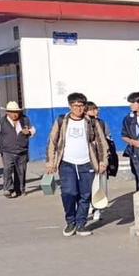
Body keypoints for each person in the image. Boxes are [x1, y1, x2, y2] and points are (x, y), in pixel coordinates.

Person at [46, 92, 108, 236]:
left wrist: (103, 161)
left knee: (85, 195)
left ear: (85, 106)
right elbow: (52, 141)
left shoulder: (92, 122)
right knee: (69, 193)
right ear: (70, 106)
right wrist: (50, 161)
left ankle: (81, 224)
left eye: (81, 105)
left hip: (87, 163)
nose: (78, 108)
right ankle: (70, 222)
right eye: (75, 106)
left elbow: (102, 142)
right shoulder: (62, 121)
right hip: (66, 163)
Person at [0, 101, 35, 198]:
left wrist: (28, 132)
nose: (15, 114)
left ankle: (20, 189)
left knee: (21, 171)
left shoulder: (25, 119)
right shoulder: (0, 122)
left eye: (16, 112)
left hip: (22, 150)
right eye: (12, 112)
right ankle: (8, 189)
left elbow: (33, 130)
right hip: (7, 151)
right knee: (8, 169)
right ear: (7, 112)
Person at [86, 102, 115, 222]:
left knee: (101, 186)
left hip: (101, 159)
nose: (96, 111)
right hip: (87, 160)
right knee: (88, 186)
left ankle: (98, 209)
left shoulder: (102, 123)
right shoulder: (83, 124)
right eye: (92, 109)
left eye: (96, 109)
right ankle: (89, 206)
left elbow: (108, 140)